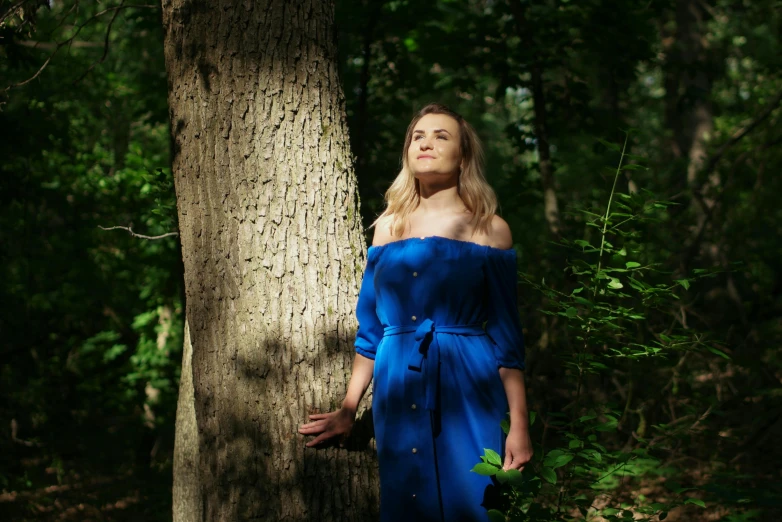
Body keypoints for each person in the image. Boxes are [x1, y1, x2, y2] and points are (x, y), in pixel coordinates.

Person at [299, 103, 532, 521]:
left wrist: (519, 425)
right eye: (418, 136)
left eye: (442, 136)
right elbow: (370, 330)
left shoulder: (490, 228)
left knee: (476, 502)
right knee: (409, 501)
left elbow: (507, 338)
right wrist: (349, 409)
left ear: (463, 157)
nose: (426, 143)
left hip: (470, 381)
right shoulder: (389, 225)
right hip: (398, 380)